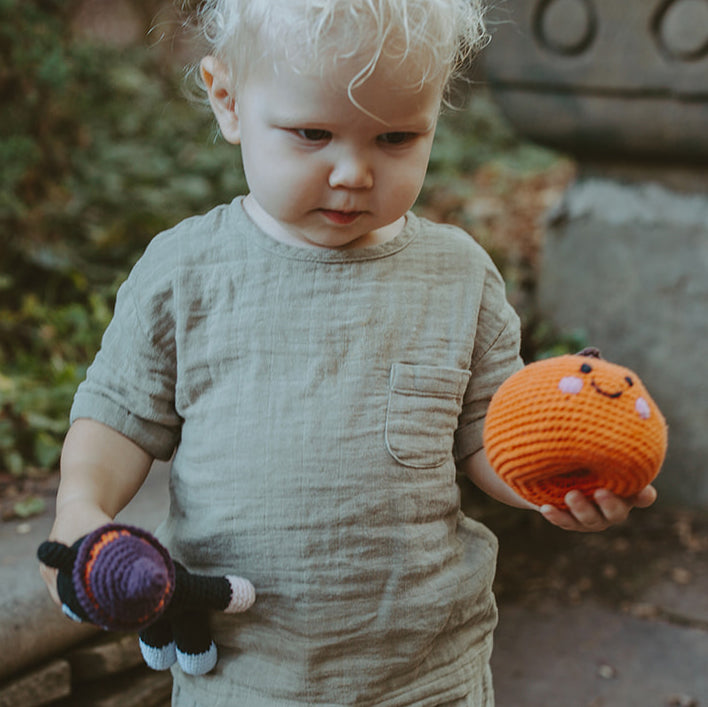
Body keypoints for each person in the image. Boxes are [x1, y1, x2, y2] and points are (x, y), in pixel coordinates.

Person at [40, 1, 658, 704]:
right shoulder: (187, 272)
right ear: (228, 101)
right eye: (312, 133)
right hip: (246, 675)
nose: (354, 172)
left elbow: (489, 437)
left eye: (396, 137)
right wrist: (82, 503)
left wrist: (555, 483)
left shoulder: (456, 274)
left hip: (428, 675)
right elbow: (117, 417)